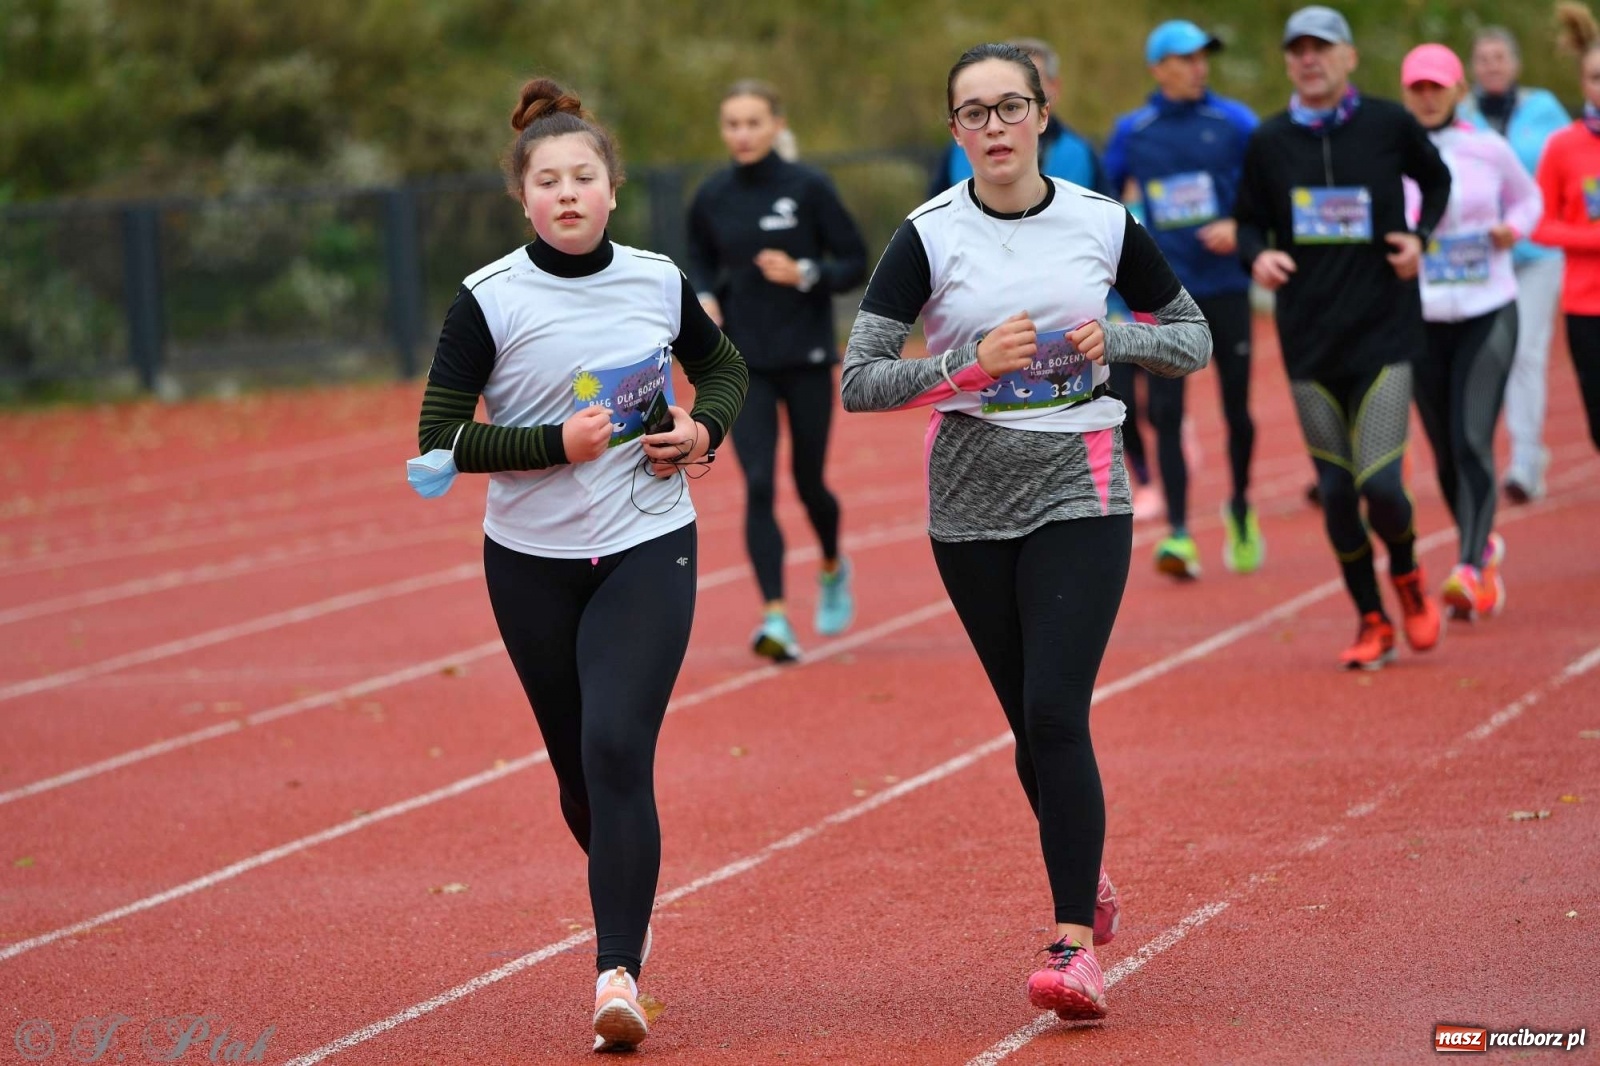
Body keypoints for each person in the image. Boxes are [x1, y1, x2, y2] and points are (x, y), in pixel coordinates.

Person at [842, 43, 1211, 1021]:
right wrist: (963, 361)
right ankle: (1080, 869)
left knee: (1056, 712)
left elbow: (1193, 338)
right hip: (965, 490)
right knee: (1024, 728)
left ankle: (1071, 946)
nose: (994, 127)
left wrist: (1118, 339)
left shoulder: (1101, 222)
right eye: (973, 113)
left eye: (1011, 107)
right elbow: (859, 379)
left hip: (1078, 478)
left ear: (1043, 116)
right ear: (954, 131)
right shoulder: (926, 236)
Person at [410, 78, 747, 1052]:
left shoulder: (653, 276)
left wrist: (699, 428)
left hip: (647, 541)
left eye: (583, 176)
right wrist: (548, 444)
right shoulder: (488, 299)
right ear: (522, 197)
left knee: (614, 746)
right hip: (530, 561)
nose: (566, 192)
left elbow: (723, 370)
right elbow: (438, 440)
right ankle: (626, 900)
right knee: (577, 775)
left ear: (611, 188)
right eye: (547, 179)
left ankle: (617, 971)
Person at [1233, 5, 1450, 670]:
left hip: (1383, 331)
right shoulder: (1269, 142)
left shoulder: (1389, 123)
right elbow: (1247, 224)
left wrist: (1421, 237)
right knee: (1334, 494)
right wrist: (1256, 259)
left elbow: (1436, 179)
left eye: (1322, 47)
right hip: (1309, 340)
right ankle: (1371, 617)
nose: (1309, 58)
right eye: (1297, 49)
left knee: (1380, 486)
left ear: (1348, 57)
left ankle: (1409, 578)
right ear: (1288, 62)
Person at [687, 80, 868, 662]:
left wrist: (805, 271)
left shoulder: (809, 187)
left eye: (752, 122)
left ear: (775, 124)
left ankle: (833, 565)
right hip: (743, 365)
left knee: (809, 482)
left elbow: (855, 262)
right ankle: (775, 618)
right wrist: (707, 298)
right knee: (759, 483)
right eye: (732, 123)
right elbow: (699, 262)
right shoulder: (711, 196)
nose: (741, 134)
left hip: (807, 358)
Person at [1104, 19, 1266, 578]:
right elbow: (1104, 202)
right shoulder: (1135, 130)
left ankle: (1240, 505)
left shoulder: (1235, 121)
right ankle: (1178, 532)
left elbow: (1267, 188)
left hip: (1225, 286)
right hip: (1165, 296)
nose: (1199, 67)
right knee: (1165, 412)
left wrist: (1238, 224)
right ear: (1159, 68)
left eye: (1204, 57)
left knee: (1237, 409)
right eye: (1186, 58)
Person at [1400, 44, 1542, 620]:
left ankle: (1468, 568)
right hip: (1422, 317)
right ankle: (1479, 546)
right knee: (1444, 451)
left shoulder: (1488, 147)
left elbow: (1530, 197)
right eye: (1419, 88)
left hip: (1489, 308)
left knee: (1472, 435)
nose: (1429, 97)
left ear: (1458, 90)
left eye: (1439, 86)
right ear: (1407, 94)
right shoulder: (1394, 153)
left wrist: (1513, 227)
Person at [1461, 27, 1571, 503]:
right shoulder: (1462, 116)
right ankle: (1488, 450)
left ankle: (1526, 457)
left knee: (1527, 349)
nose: (1492, 66)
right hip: (1484, 256)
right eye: (1483, 59)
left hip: (1539, 253)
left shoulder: (1544, 109)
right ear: (1473, 69)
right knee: (1491, 355)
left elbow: (1574, 160)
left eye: (1499, 57)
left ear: (1516, 63)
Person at [1529, 2, 1600, 456]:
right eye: (1596, 77)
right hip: (1586, 303)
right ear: (1583, 83)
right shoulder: (1563, 146)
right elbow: (1537, 223)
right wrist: (1592, 239)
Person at [925, 37, 1107, 198]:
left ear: (1054, 87)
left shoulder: (1080, 153)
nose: (994, 127)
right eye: (975, 114)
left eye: (1036, 79)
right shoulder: (958, 152)